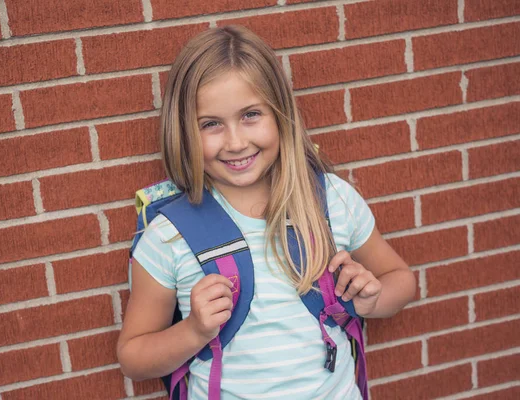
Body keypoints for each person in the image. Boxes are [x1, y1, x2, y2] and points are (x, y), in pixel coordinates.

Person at [117, 25, 416, 399]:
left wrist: (374, 299)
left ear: (279, 114)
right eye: (211, 124)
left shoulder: (332, 201)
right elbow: (133, 358)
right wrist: (193, 329)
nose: (236, 142)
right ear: (184, 131)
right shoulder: (170, 235)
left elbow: (402, 280)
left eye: (251, 115)